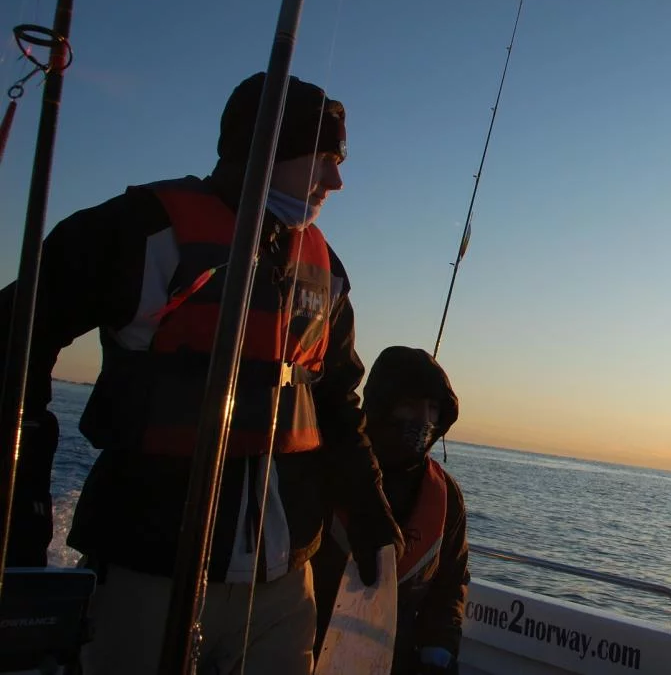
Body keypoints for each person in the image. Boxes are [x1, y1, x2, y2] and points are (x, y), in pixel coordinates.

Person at [0, 71, 404, 674]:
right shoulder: (141, 230)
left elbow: (339, 403)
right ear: (267, 146)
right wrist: (20, 497)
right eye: (323, 157)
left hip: (283, 589)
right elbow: (16, 339)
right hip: (148, 574)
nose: (336, 180)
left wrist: (370, 516)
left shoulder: (329, 274)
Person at [312, 346, 470, 675]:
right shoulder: (326, 468)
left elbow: (450, 586)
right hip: (309, 646)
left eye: (433, 409)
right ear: (382, 406)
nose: (424, 421)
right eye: (410, 406)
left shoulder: (446, 497)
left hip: (394, 658)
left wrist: (439, 651)